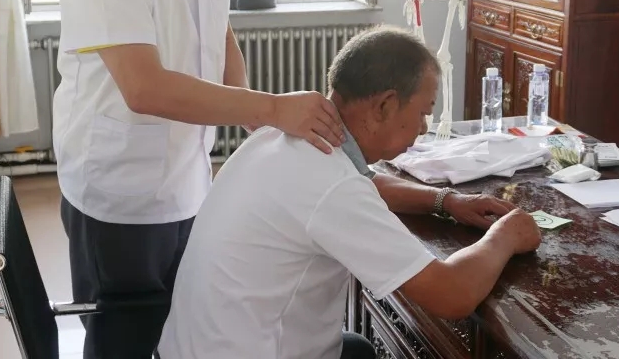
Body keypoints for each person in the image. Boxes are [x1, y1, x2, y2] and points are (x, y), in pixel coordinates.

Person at [53, 0, 346, 359]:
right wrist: (271, 108)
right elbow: (144, 87)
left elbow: (219, 30)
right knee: (124, 340)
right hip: (120, 192)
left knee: (182, 328)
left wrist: (255, 119)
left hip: (189, 179)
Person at [157, 26, 543, 359]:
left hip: (191, 348)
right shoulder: (331, 184)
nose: (424, 127)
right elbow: (451, 294)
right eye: (424, 112)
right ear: (385, 105)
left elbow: (362, 183)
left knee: (359, 348)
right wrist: (506, 235)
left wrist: (446, 201)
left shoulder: (285, 133)